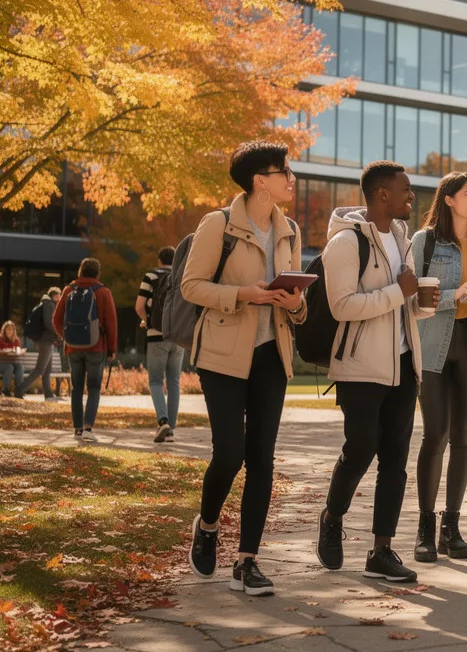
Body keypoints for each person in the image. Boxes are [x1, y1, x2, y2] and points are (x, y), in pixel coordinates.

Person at [182, 141, 308, 598]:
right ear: (260, 180)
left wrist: (295, 304)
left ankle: (247, 561)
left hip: (272, 353)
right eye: (284, 171)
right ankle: (208, 526)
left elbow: (298, 304)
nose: (291, 178)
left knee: (261, 459)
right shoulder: (218, 224)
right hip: (223, 354)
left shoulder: (289, 230)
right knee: (229, 454)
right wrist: (242, 295)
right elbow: (191, 286)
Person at [316, 161, 434, 584]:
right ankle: (332, 517)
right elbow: (342, 306)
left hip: (403, 364)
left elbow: (403, 306)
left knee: (395, 461)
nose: (411, 196)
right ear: (382, 194)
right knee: (360, 450)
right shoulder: (345, 243)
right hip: (360, 367)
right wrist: (398, 292)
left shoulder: (401, 238)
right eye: (405, 189)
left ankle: (381, 551)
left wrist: (420, 302)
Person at [411, 172, 467, 563]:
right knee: (436, 435)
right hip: (433, 344)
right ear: (448, 199)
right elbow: (414, 297)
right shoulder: (425, 241)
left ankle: (452, 527)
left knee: (463, 436)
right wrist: (454, 295)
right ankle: (425, 528)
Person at [53, 258, 118, 443]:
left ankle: (77, 429)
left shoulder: (68, 290)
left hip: (73, 347)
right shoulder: (103, 292)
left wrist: (67, 336)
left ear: (80, 271)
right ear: (98, 273)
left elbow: (56, 320)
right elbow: (111, 323)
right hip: (96, 347)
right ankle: (88, 427)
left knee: (76, 388)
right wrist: (112, 349)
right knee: (94, 387)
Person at [138, 247, 183, 443]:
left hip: (156, 334)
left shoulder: (151, 276)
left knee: (156, 381)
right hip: (178, 336)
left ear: (159, 260)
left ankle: (163, 421)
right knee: (174, 382)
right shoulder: (182, 275)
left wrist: (147, 321)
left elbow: (139, 306)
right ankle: (170, 430)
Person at [21, 288, 62, 401]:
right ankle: (19, 389)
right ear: (54, 295)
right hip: (45, 341)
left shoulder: (47, 304)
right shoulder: (49, 304)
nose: (60, 298)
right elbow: (49, 323)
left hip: (46, 340)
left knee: (47, 369)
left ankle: (48, 394)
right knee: (40, 369)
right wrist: (58, 332)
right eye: (59, 296)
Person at [0, 320, 26, 398]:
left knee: (20, 367)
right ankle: (5, 390)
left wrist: (19, 352)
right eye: (7, 329)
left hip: (11, 362)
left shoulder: (16, 340)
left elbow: (17, 351)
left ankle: (19, 390)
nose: (9, 331)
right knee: (9, 367)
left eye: (11, 329)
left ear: (14, 331)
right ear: (4, 330)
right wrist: (4, 351)